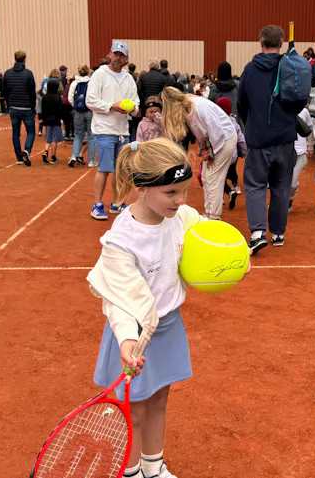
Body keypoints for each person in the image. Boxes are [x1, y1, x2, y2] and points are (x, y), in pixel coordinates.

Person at [87, 138, 199, 478]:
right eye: (171, 193)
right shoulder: (121, 241)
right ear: (141, 188)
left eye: (184, 191)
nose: (180, 201)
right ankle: (131, 471)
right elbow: (119, 300)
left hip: (168, 327)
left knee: (159, 402)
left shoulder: (182, 217)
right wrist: (125, 342)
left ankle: (154, 467)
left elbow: (209, 237)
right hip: (134, 336)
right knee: (133, 412)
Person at [237, 25, 309, 254]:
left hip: (259, 138)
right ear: (281, 43)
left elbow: (242, 104)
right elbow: (299, 101)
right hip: (286, 138)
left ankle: (258, 233)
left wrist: (251, 125)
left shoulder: (250, 69)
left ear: (261, 42)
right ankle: (278, 233)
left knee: (255, 185)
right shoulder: (290, 66)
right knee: (281, 185)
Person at [161, 87, 237, 220]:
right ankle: (209, 213)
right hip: (213, 142)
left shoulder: (199, 106)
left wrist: (213, 153)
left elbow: (217, 132)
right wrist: (208, 153)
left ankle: (214, 217)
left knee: (214, 178)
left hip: (224, 140)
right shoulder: (189, 107)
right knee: (206, 177)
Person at [87, 41, 140, 220]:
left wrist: (132, 109)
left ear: (126, 59)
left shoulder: (129, 78)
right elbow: (91, 100)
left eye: (122, 55)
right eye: (116, 54)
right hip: (104, 129)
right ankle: (97, 204)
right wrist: (112, 106)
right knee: (104, 168)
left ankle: (117, 203)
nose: (118, 58)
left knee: (121, 170)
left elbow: (136, 102)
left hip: (122, 131)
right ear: (110, 54)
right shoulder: (99, 75)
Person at [2, 51, 37, 166]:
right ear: (24, 59)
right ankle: (26, 150)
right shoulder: (28, 74)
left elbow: (5, 91)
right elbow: (32, 92)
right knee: (31, 131)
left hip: (13, 107)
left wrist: (8, 104)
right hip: (27, 107)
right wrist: (33, 105)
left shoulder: (7, 73)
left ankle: (19, 157)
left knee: (15, 132)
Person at [214, 97, 247, 212]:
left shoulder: (214, 121)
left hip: (218, 154)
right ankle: (235, 185)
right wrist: (244, 151)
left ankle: (227, 193)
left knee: (218, 177)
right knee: (232, 171)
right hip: (232, 154)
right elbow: (240, 138)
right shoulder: (233, 122)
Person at [68, 65, 97, 168]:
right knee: (91, 136)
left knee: (78, 135)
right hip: (89, 111)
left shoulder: (74, 83)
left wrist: (75, 106)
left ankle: (73, 156)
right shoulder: (91, 82)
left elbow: (70, 98)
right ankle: (91, 160)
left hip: (77, 111)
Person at [288, 105, 314, 209]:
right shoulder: (277, 109)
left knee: (292, 184)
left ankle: (290, 198)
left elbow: (309, 129)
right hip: (283, 150)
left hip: (300, 151)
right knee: (279, 181)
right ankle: (281, 202)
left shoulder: (304, 111)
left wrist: (310, 145)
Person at [39, 76, 64, 165]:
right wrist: (62, 119)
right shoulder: (57, 98)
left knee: (48, 138)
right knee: (54, 139)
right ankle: (53, 156)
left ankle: (45, 152)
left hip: (47, 120)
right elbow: (61, 109)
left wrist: (41, 118)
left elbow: (42, 109)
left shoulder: (45, 97)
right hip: (56, 120)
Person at [59, 66, 72, 137]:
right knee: (68, 118)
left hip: (62, 100)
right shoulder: (64, 79)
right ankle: (68, 132)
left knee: (64, 117)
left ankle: (65, 131)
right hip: (66, 100)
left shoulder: (59, 78)